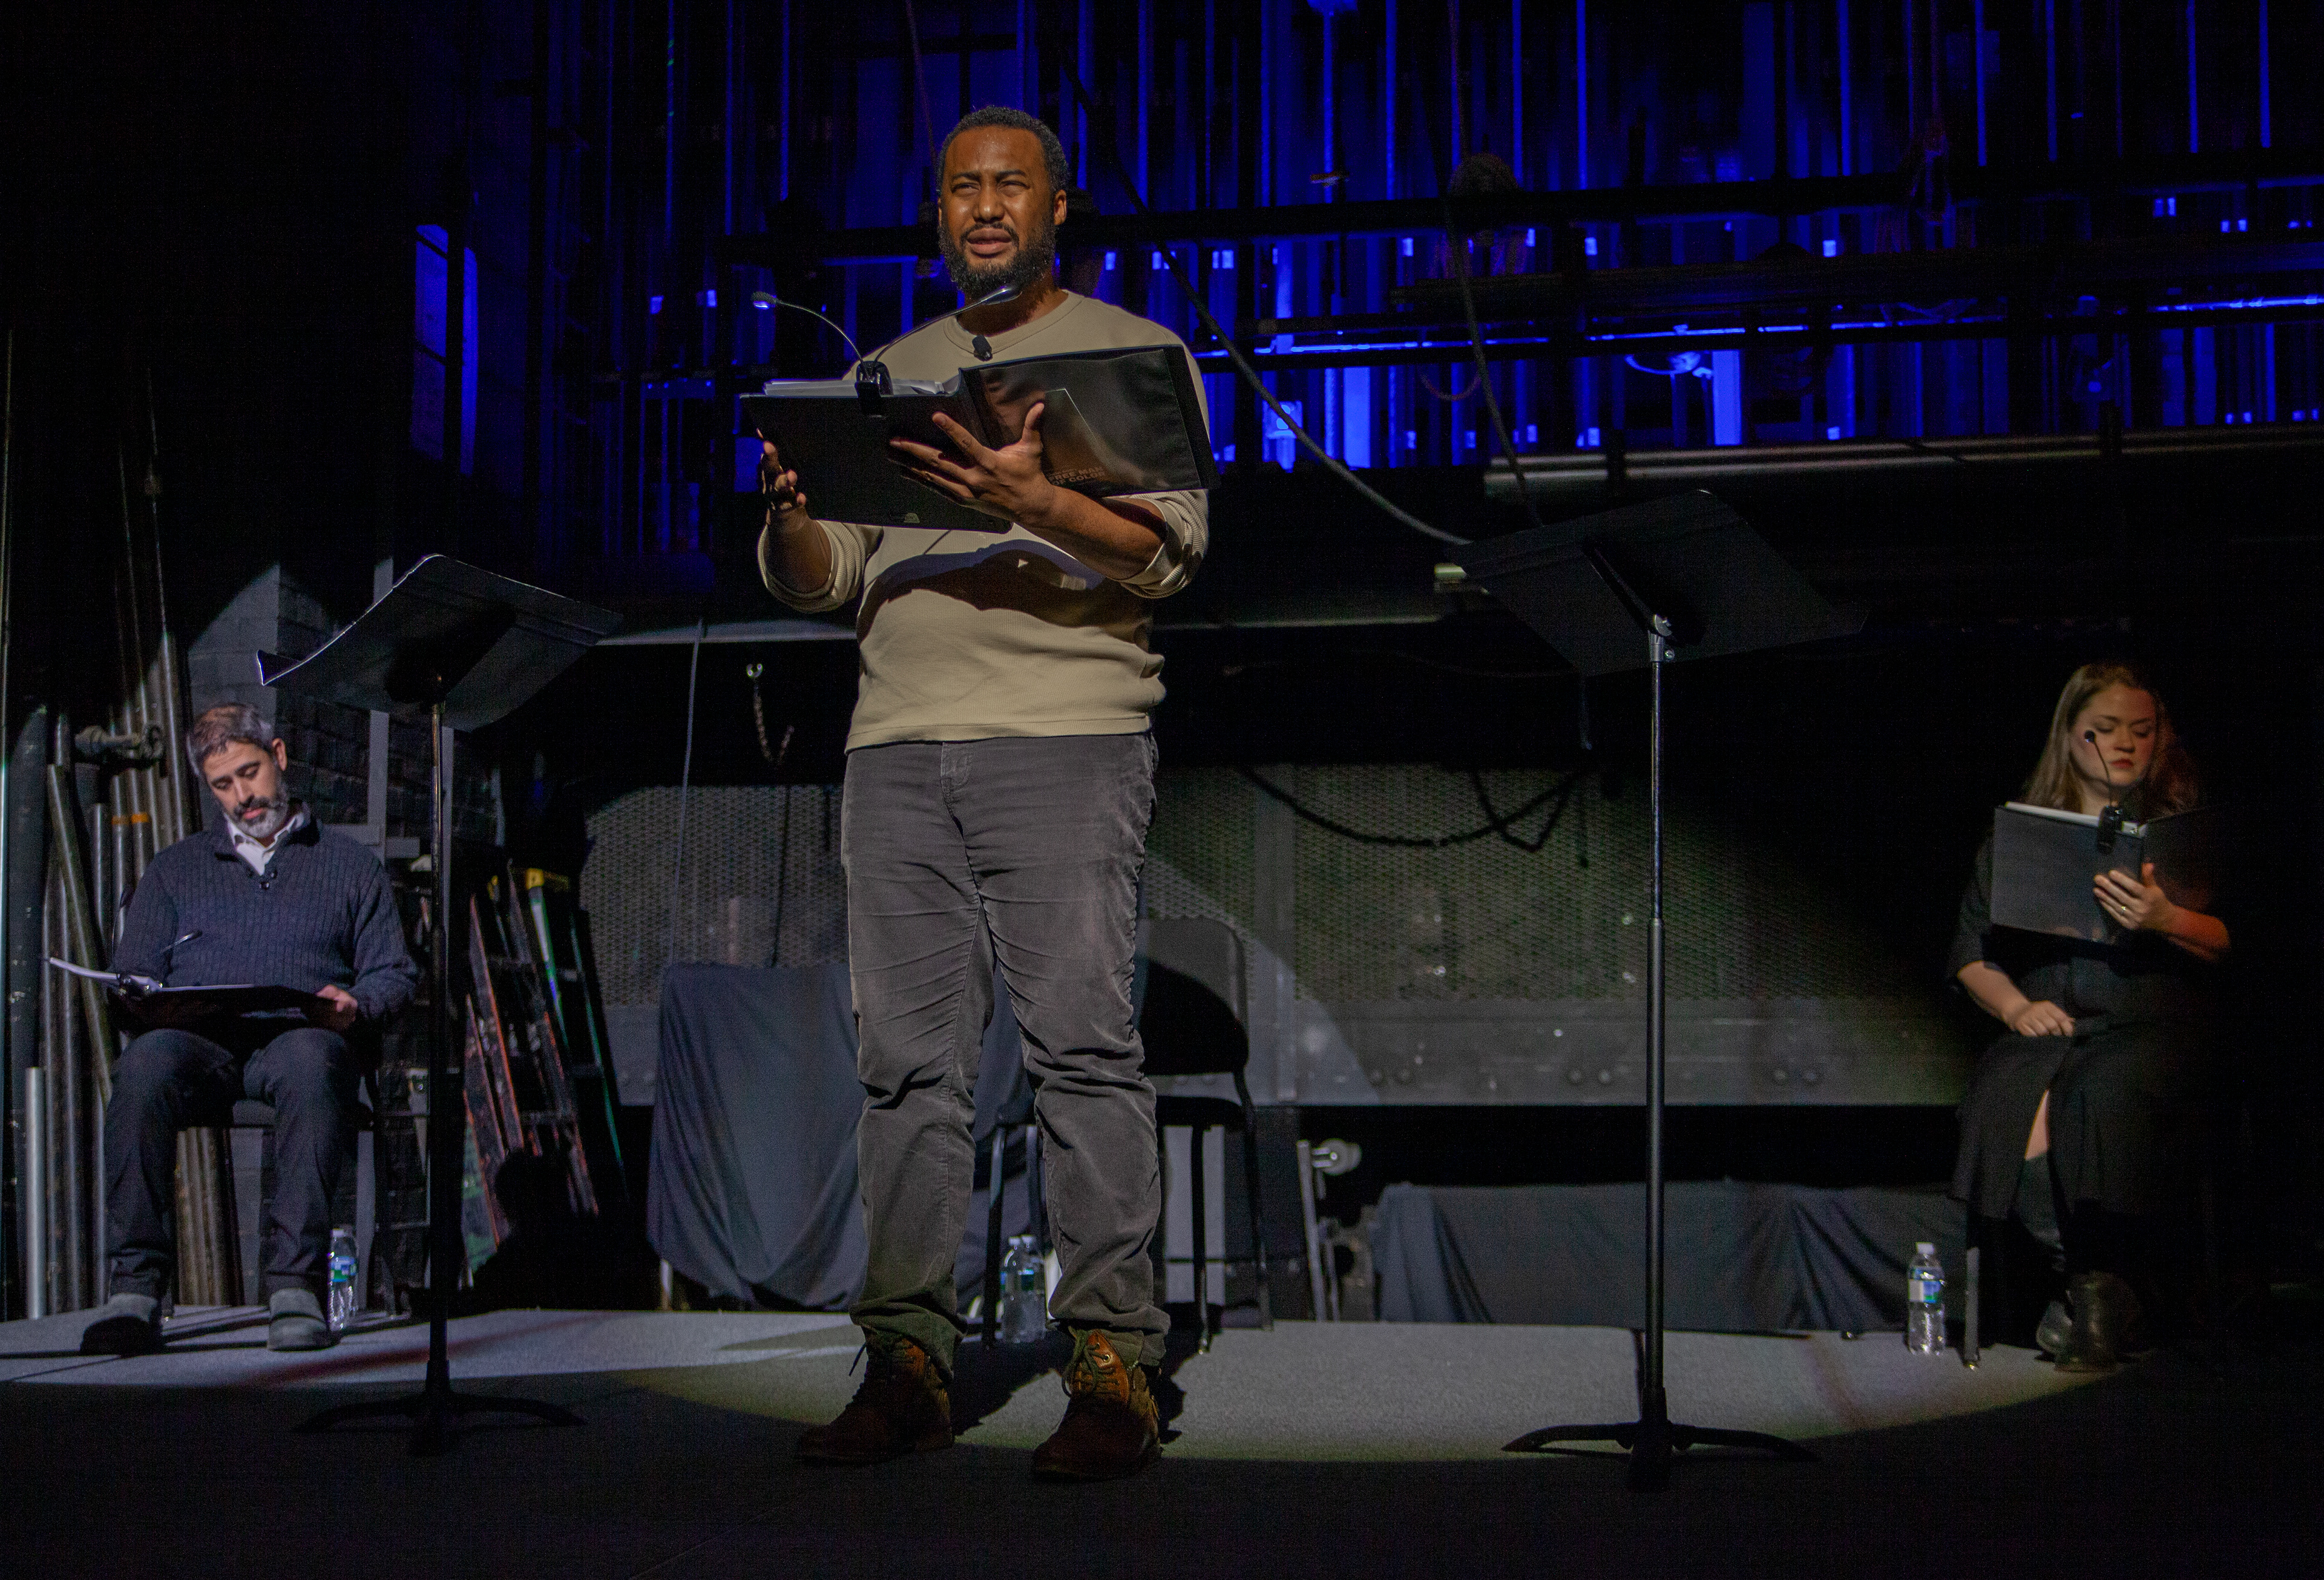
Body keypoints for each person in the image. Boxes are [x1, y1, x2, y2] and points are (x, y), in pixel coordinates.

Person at [757, 105, 1206, 1482]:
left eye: (1013, 185)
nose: (987, 207)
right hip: (896, 745)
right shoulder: (886, 374)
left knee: (1081, 1049)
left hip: (1063, 735)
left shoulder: (1130, 356)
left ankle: (1113, 1363)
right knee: (904, 1070)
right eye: (962, 188)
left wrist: (1033, 499)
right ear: (939, 213)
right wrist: (792, 515)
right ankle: (906, 1360)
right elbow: (829, 580)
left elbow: (1169, 557)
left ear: (1059, 207)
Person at [79, 704, 418, 1356]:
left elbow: (395, 974)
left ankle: (294, 1285)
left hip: (299, 1034)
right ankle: (135, 1287)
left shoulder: (349, 865)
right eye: (223, 784)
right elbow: (134, 971)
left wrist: (354, 1003)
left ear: (280, 757)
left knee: (314, 1061)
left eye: (250, 772)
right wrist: (137, 997)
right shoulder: (176, 869)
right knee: (142, 1068)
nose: (242, 795)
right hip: (200, 1041)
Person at [1946, 663, 2228, 1371]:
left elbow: (2237, 941)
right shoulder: (2020, 835)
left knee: (2099, 1094)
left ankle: (2099, 1301)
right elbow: (1971, 954)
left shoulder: (2185, 832)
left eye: (2141, 730)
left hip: (2151, 1018)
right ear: (2069, 736)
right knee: (2010, 1097)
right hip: (2054, 1016)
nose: (2124, 744)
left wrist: (2166, 919)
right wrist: (2015, 1005)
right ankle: (2105, 1293)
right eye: (2104, 730)